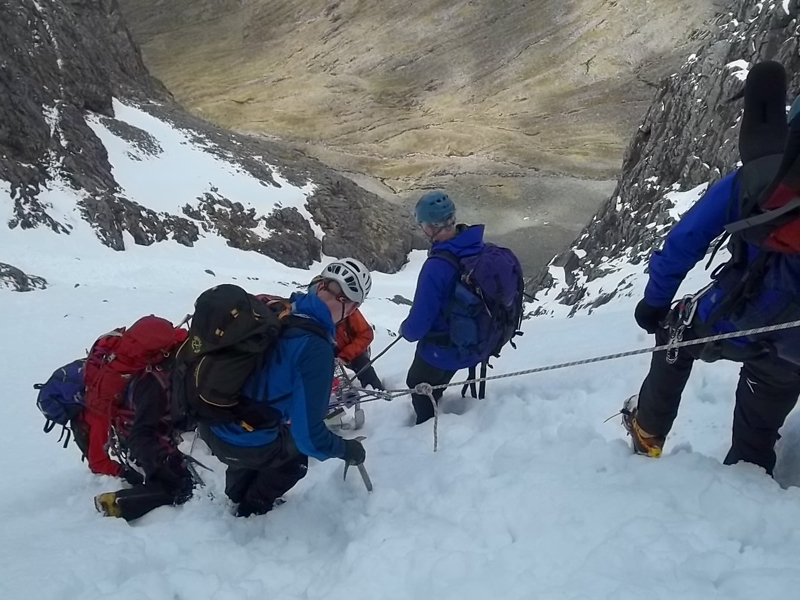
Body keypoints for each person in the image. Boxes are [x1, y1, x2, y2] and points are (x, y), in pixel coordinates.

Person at [624, 85, 800, 475]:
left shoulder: (757, 179)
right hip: (795, 353)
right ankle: (747, 476)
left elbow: (684, 242)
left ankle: (647, 433)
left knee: (677, 332)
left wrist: (654, 304)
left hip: (741, 317)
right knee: (772, 386)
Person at [198, 259, 371, 517]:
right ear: (352, 307)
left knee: (260, 426)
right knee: (295, 460)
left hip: (210, 418)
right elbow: (310, 439)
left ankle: (236, 492)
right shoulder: (315, 349)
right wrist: (347, 450)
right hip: (240, 441)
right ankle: (252, 507)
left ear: (319, 284)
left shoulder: (281, 309)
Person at [400, 191, 487, 424]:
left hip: (444, 348)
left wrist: (405, 330)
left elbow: (417, 327)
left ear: (430, 227)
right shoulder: (476, 246)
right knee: (437, 378)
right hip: (474, 343)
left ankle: (426, 425)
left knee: (417, 382)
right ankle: (436, 397)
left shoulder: (436, 267)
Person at [94, 355, 195, 521]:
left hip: (144, 442)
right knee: (180, 486)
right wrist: (165, 460)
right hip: (151, 447)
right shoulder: (153, 383)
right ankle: (118, 502)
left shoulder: (154, 372)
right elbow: (141, 434)